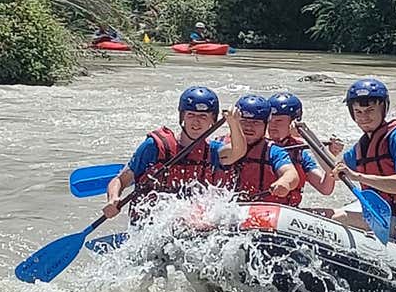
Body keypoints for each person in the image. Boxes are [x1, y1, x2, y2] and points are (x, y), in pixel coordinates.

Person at [330, 78, 396, 244]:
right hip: (384, 220)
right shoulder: (362, 146)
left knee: (339, 217)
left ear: (383, 109)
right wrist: (307, 138)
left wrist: (357, 176)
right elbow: (335, 170)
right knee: (323, 214)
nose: (364, 117)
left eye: (370, 110)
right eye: (358, 112)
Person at [103, 86, 226, 219]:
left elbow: (238, 152)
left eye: (203, 116)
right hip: (150, 225)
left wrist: (234, 122)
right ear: (182, 116)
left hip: (192, 224)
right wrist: (113, 199)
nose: (196, 121)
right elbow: (120, 180)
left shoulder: (215, 151)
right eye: (191, 114)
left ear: (213, 120)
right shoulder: (154, 147)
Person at [217, 95, 301, 203]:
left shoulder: (273, 150)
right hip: (225, 207)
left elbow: (291, 174)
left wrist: (285, 183)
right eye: (244, 122)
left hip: (262, 209)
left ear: (266, 125)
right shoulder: (220, 145)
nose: (248, 127)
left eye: (255, 123)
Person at [264, 92, 338, 207]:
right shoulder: (259, 146)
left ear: (293, 123)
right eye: (270, 120)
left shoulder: (299, 153)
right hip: (259, 210)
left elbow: (325, 188)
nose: (272, 125)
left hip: (288, 212)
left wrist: (328, 152)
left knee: (339, 215)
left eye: (278, 121)